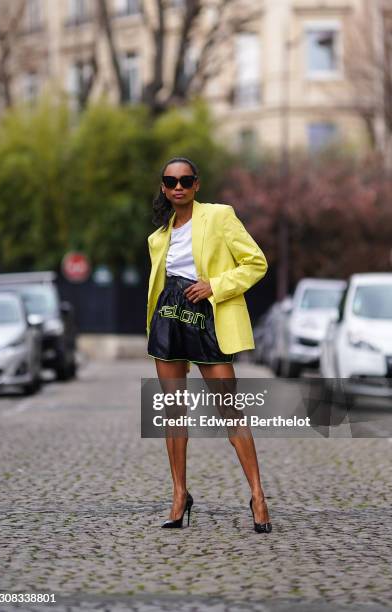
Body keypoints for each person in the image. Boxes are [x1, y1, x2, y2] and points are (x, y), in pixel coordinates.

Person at [146, 156, 272, 533]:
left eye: (186, 180)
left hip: (207, 315)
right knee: (173, 412)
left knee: (229, 408)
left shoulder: (219, 216)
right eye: (171, 181)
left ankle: (258, 495)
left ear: (197, 184)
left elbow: (256, 263)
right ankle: (179, 495)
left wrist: (216, 285)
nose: (178, 186)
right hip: (168, 318)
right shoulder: (158, 238)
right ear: (165, 188)